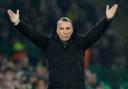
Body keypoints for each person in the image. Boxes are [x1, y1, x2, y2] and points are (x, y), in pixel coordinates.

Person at [7, 4, 118, 89]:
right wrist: (18, 23)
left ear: (72, 30)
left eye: (67, 28)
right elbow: (32, 35)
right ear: (57, 30)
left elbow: (96, 32)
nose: (65, 31)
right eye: (62, 28)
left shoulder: (80, 43)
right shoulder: (49, 43)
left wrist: (106, 20)